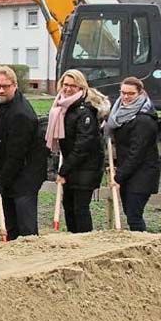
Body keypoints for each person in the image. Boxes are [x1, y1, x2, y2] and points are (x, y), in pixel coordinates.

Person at [0, 66, 47, 240]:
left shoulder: (21, 114)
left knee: (26, 228)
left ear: (15, 86)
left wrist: (1, 182)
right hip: (10, 175)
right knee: (11, 225)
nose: (1, 90)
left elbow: (16, 155)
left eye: (5, 86)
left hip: (25, 177)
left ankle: (31, 259)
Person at [46, 69, 107, 233]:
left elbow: (83, 144)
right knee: (68, 206)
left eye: (73, 85)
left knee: (80, 208)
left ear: (81, 87)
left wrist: (64, 169)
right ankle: (73, 240)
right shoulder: (61, 108)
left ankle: (85, 243)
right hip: (71, 167)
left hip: (86, 167)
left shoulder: (85, 112)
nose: (68, 89)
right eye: (65, 85)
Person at [105, 76, 160, 232]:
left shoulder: (144, 120)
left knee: (134, 216)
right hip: (128, 173)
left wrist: (118, 177)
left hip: (142, 175)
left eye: (130, 93)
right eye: (123, 93)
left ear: (140, 93)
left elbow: (137, 153)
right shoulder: (119, 113)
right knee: (131, 214)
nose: (126, 97)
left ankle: (142, 246)